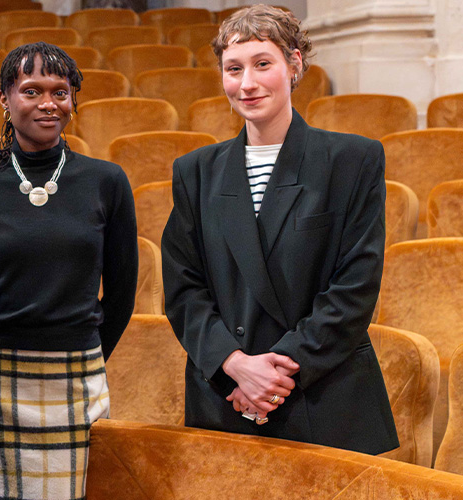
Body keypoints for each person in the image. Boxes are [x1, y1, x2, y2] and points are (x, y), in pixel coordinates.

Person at [161, 4, 398, 454]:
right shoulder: (194, 171)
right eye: (233, 69)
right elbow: (183, 288)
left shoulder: (353, 159)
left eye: (262, 64)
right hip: (226, 394)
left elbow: (355, 286)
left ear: (294, 64)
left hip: (322, 394)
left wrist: (274, 375)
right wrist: (236, 365)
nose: (246, 83)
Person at [0, 42, 138, 500]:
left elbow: (122, 292)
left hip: (75, 378)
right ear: (4, 99)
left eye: (60, 91)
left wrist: (83, 351)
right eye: (31, 91)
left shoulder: (107, 181)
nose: (48, 103)